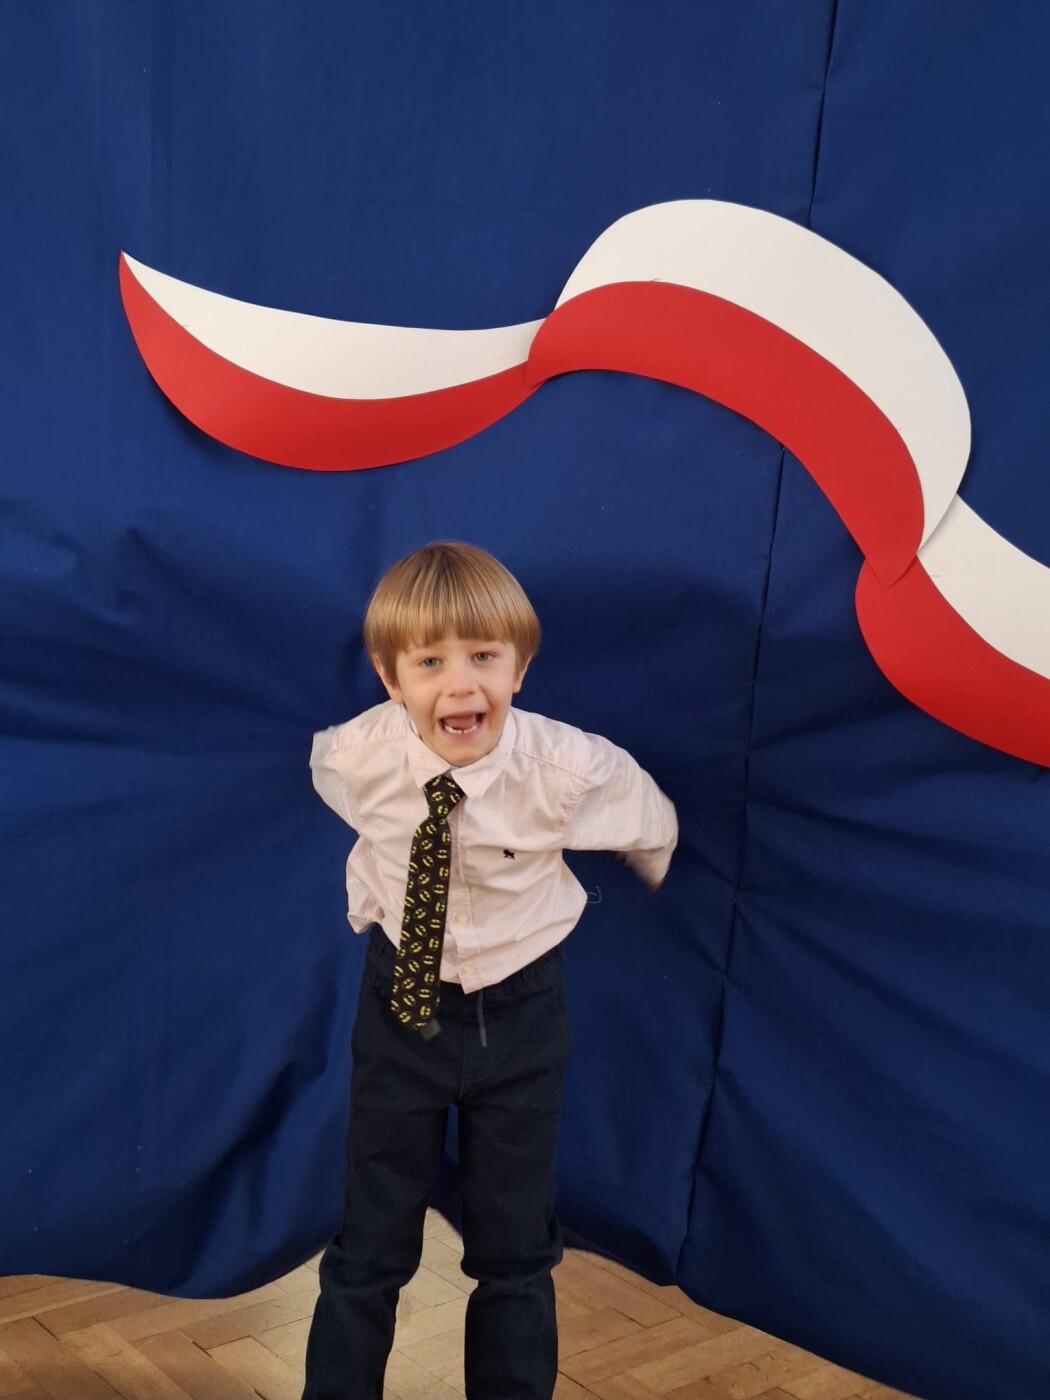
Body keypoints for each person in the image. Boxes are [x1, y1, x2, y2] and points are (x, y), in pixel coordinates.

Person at [302, 540, 677, 1400]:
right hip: (401, 1006)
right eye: (429, 663)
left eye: (483, 657)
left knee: (515, 1249)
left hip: (521, 1013)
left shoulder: (567, 769)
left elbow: (649, 821)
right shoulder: (354, 756)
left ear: (520, 667)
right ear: (390, 678)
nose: (459, 685)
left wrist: (652, 863)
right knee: (369, 1245)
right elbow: (342, 795)